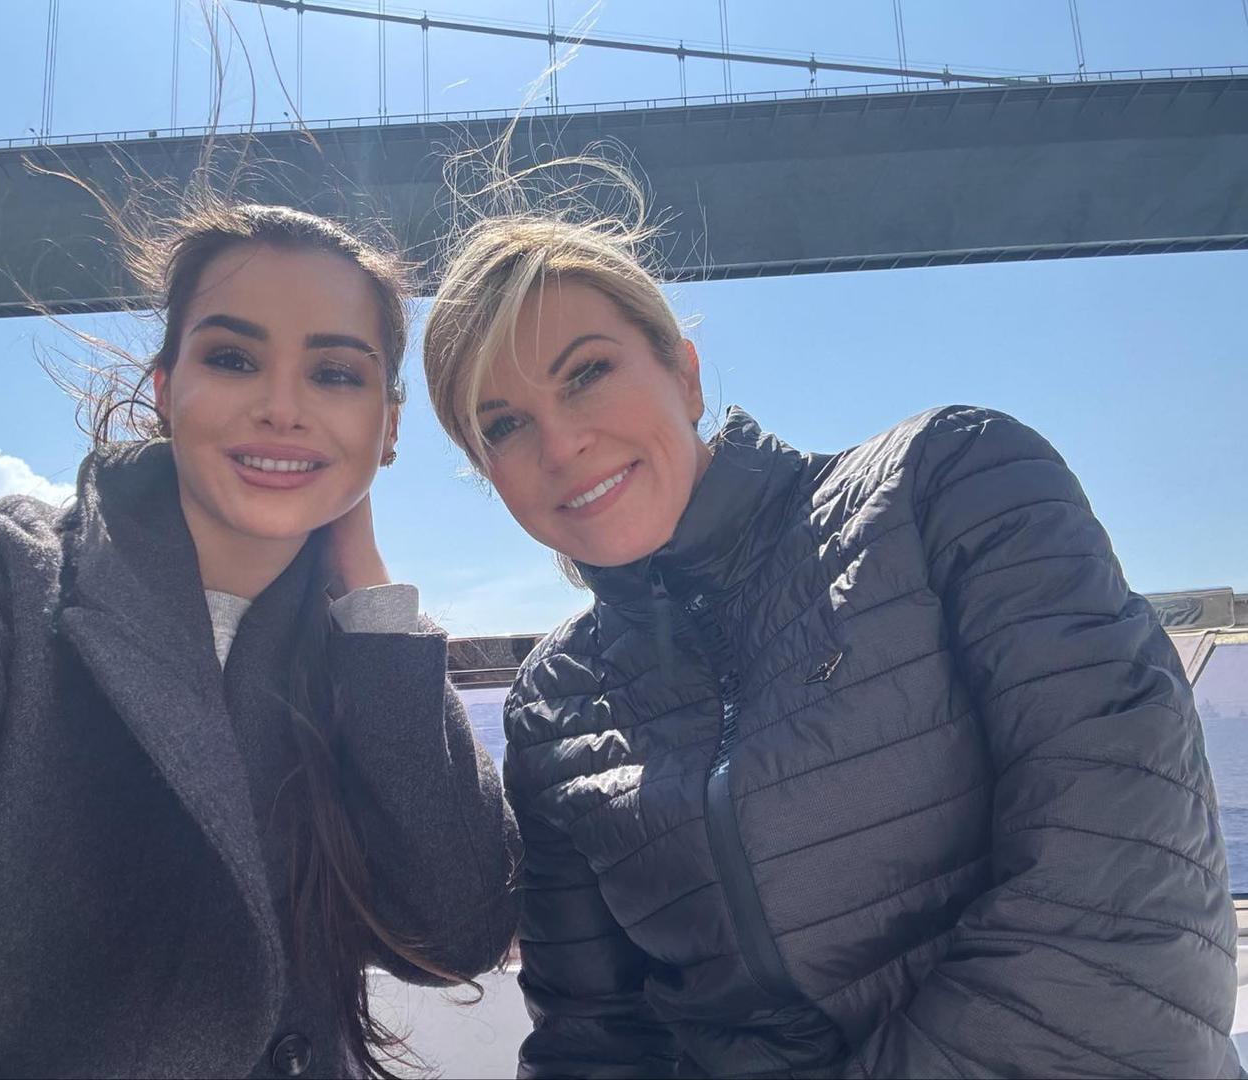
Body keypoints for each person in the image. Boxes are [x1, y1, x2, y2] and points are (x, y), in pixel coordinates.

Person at [421, 194, 1241, 1076]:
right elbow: (592, 1036)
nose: (559, 443)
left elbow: (1121, 907)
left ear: (685, 376)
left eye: (586, 372)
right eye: (503, 424)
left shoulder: (949, 486)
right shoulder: (553, 702)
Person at [0, 198, 520, 1078]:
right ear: (166, 390)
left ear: (390, 426)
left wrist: (368, 593)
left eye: (335, 374)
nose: (282, 408)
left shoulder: (360, 655)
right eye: (234, 358)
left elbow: (458, 931)